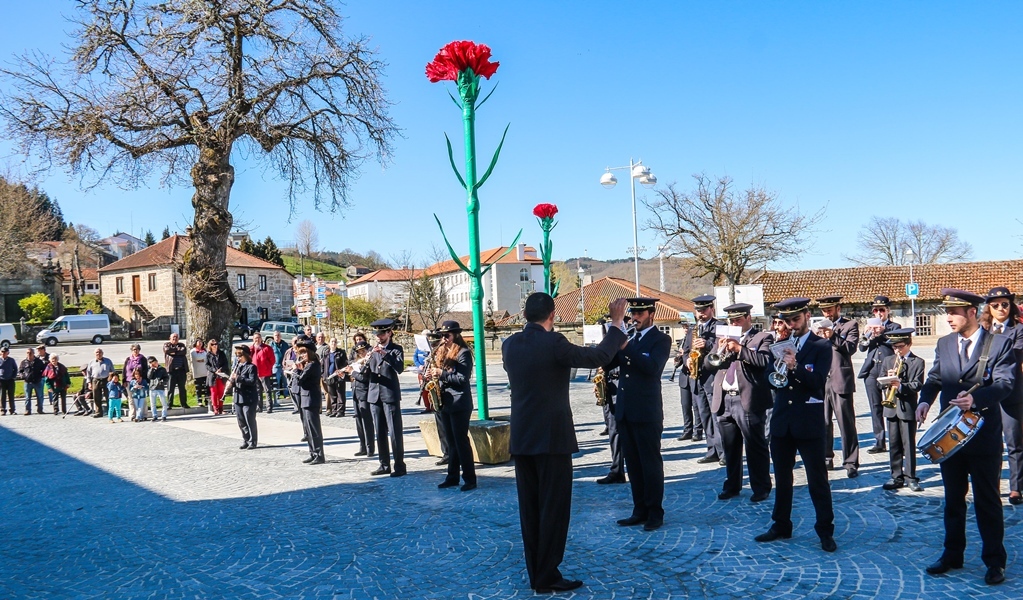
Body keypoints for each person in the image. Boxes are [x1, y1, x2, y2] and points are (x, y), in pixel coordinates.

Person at [503, 293, 628, 594]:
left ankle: (537, 574)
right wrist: (616, 323)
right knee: (554, 509)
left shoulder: (509, 345)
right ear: (552, 314)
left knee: (530, 509)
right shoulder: (554, 343)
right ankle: (548, 576)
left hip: (522, 438)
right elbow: (597, 357)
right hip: (552, 439)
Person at [917, 288, 1014, 586]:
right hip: (951, 435)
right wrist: (924, 399)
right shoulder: (945, 343)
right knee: (952, 500)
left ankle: (994, 561)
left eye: (954, 312)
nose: (948, 318)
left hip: (983, 435)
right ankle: (952, 554)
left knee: (987, 500)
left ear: (972, 312)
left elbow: (1005, 383)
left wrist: (978, 400)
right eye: (946, 312)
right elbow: (935, 377)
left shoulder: (998, 343)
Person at [755, 297, 836, 553]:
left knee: (817, 480)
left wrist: (796, 366)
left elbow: (818, 382)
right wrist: (775, 371)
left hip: (808, 422)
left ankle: (825, 530)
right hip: (782, 421)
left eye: (795, 319)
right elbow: (769, 380)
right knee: (782, 477)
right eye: (786, 321)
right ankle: (781, 524)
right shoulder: (779, 345)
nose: (791, 324)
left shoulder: (821, 346)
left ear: (807, 316)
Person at [608, 298, 672, 532]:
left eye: (639, 313)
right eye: (632, 313)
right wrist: (613, 341)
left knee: (650, 464)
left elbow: (652, 368)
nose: (634, 318)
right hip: (625, 410)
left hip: (646, 411)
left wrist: (626, 347)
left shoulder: (661, 339)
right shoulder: (631, 338)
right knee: (633, 464)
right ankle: (639, 509)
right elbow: (608, 364)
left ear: (651, 314)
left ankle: (655, 511)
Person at [704, 302, 773, 503]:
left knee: (755, 445)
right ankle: (732, 485)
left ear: (748, 318)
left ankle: (761, 487)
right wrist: (720, 349)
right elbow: (710, 364)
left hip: (748, 399)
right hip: (725, 397)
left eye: (738, 319)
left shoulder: (762, 337)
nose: (734, 322)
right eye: (731, 320)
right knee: (730, 447)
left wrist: (740, 349)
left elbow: (764, 362)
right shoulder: (723, 338)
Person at [980, 286, 1023, 505]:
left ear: (1011, 306)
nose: (1000, 309)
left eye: (1005, 304)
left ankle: (1016, 487)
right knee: (991, 443)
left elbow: (1013, 357)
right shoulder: (983, 330)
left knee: (1014, 441)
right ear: (989, 308)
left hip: (1010, 393)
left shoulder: (1018, 330)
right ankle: (992, 484)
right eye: (995, 305)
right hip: (987, 394)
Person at [816, 295, 860, 478]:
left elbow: (850, 348)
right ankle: (827, 458)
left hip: (840, 379)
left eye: (830, 309)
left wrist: (833, 336)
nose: (827, 313)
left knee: (846, 423)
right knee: (823, 422)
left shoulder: (850, 326)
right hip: (821, 380)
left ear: (838, 308)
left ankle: (851, 462)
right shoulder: (817, 327)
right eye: (824, 310)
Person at [430, 321, 477, 491]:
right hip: (446, 402)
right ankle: (452, 477)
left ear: (456, 335)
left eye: (447, 335)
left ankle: (470, 479)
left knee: (461, 442)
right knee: (451, 443)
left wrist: (441, 374)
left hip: (460, 403)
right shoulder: (443, 351)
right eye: (441, 336)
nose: (443, 338)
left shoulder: (463, 353)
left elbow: (462, 379)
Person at [878, 328, 924, 492]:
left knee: (908, 444)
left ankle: (911, 477)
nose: (897, 350)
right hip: (891, 408)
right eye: (894, 347)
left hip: (907, 409)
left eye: (900, 346)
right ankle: (896, 476)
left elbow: (917, 385)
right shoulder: (888, 360)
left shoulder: (918, 362)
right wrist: (887, 380)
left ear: (909, 344)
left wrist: (901, 385)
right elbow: (879, 382)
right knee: (894, 444)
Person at [682, 295, 724, 463]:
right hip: (696, 376)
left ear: (711, 309)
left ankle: (723, 452)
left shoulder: (720, 326)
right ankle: (711, 449)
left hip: (713, 376)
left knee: (717, 415)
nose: (701, 314)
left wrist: (706, 344)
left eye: (704, 310)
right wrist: (687, 361)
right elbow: (685, 350)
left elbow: (721, 347)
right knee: (704, 415)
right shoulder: (693, 329)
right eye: (698, 311)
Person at [366, 318, 406, 477]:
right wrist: (361, 365)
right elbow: (365, 372)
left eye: (382, 334)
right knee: (379, 432)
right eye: (377, 334)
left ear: (389, 333)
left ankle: (399, 466)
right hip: (374, 395)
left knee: (395, 432)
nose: (379, 337)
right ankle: (384, 464)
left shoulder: (396, 349)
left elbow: (400, 368)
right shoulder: (372, 350)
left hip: (389, 395)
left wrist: (385, 354)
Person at [858, 314, 894, 454]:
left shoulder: (893, 327)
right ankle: (879, 441)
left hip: (888, 369)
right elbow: (861, 348)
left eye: (882, 309)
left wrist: (882, 332)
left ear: (887, 310)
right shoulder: (869, 330)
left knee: (891, 405)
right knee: (875, 406)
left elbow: (894, 343)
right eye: (876, 310)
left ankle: (894, 440)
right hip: (871, 371)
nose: (879, 313)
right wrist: (866, 333)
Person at [595, 319, 625, 485]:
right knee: (614, 431)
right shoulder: (607, 339)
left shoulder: (628, 340)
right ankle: (617, 470)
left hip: (623, 387)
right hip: (610, 387)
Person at [295, 340, 326, 464]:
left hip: (311, 399)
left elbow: (301, 381)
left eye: (304, 353)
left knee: (314, 429)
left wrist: (296, 370)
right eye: (300, 353)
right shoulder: (307, 365)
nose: (301, 356)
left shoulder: (313, 365)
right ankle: (313, 453)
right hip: (305, 399)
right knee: (308, 429)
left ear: (310, 353)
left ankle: (319, 455)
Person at [344, 341, 375, 456]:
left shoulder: (368, 362)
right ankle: (362, 446)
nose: (361, 353)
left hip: (365, 394)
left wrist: (352, 372)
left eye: (363, 351)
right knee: (358, 422)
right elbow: (353, 379)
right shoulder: (356, 363)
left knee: (367, 422)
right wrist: (344, 376)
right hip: (355, 394)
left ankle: (370, 448)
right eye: (359, 352)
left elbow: (364, 378)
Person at [231, 344, 260, 450]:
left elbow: (252, 381)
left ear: (246, 356)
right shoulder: (237, 367)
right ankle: (246, 439)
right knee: (241, 420)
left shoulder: (252, 367)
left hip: (248, 398)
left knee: (249, 419)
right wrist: (231, 381)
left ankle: (253, 441)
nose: (238, 358)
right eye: (237, 356)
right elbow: (235, 381)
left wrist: (238, 378)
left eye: (240, 356)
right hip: (238, 397)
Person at [250, 332, 276, 413]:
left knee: (267, 390)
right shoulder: (251, 349)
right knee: (257, 390)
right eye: (255, 338)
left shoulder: (267, 348)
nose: (257, 340)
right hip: (255, 372)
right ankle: (259, 407)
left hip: (264, 372)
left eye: (258, 338)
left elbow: (272, 360)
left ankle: (269, 407)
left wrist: (267, 367)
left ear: (261, 339)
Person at [122, 344, 149, 422]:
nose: (135, 351)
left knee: (142, 398)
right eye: (134, 349)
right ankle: (133, 415)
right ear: (131, 350)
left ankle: (144, 414)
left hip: (140, 381)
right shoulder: (128, 359)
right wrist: (124, 380)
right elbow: (124, 370)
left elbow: (145, 370)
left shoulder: (143, 359)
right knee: (131, 399)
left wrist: (142, 379)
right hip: (130, 381)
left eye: (137, 349)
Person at [85, 348, 114, 418]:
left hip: (106, 380)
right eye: (97, 352)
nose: (98, 354)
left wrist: (112, 380)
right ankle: (98, 412)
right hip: (96, 380)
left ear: (102, 353)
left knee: (109, 396)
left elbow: (112, 371)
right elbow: (88, 373)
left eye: (100, 352)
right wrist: (89, 383)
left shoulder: (108, 361)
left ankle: (111, 412)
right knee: (96, 397)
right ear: (95, 354)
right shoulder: (91, 362)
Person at [164, 333, 189, 409]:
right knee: (170, 388)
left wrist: (174, 352)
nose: (175, 339)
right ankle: (169, 404)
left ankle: (184, 404)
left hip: (181, 370)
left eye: (176, 337)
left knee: (182, 388)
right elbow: (167, 350)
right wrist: (177, 350)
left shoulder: (181, 345)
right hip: (172, 371)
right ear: (170, 338)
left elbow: (183, 351)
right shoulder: (167, 345)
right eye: (173, 337)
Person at [205, 339, 230, 416]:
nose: (215, 345)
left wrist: (221, 369)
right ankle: (215, 409)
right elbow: (207, 365)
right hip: (212, 376)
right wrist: (214, 370)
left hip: (221, 376)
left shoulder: (221, 353)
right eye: (213, 344)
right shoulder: (208, 354)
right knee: (214, 393)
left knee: (221, 392)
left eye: (216, 344)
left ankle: (221, 409)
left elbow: (226, 363)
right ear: (210, 346)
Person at [325, 337, 348, 417]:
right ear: (329, 343)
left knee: (340, 394)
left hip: (338, 376)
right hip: (329, 377)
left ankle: (341, 411)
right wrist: (324, 375)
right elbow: (323, 365)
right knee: (332, 395)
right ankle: (334, 410)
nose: (333, 343)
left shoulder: (341, 353)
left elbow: (345, 364)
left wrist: (341, 372)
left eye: (335, 342)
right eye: (332, 342)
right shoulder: (326, 353)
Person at [19, 348, 46, 415]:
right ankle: (28, 410)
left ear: (33, 353)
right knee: (27, 397)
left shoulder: (38, 361)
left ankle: (40, 409)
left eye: (30, 353)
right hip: (27, 382)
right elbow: (20, 371)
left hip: (37, 381)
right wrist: (23, 376)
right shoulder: (23, 362)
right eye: (27, 353)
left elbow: (44, 370)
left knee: (39, 396)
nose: (29, 354)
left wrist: (40, 376)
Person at [146, 357, 170, 422]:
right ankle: (154, 416)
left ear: (157, 362)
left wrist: (162, 382)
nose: (154, 365)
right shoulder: (150, 369)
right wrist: (152, 369)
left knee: (163, 403)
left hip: (160, 387)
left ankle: (164, 415)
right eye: (152, 364)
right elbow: (149, 377)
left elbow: (166, 377)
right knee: (153, 403)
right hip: (152, 388)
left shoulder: (162, 369)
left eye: (155, 363)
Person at [269, 331, 290, 403]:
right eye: (275, 336)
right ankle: (276, 395)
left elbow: (288, 354)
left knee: (285, 381)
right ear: (273, 336)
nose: (277, 337)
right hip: (275, 366)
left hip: (284, 366)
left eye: (278, 335)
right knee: (276, 381)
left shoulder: (285, 344)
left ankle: (286, 394)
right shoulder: (271, 345)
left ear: (280, 336)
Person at [189, 339, 209, 407]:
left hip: (205, 372)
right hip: (197, 372)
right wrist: (203, 360)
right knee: (199, 388)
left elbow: (208, 359)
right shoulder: (193, 351)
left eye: (201, 342)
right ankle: (199, 401)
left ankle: (207, 401)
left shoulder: (205, 351)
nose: (200, 343)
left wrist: (203, 360)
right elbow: (197, 359)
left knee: (206, 387)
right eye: (199, 342)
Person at [0, 347, 17, 415]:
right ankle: (2, 410)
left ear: (8, 353)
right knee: (2, 396)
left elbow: (15, 369)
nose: (4, 353)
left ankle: (12, 410)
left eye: (5, 352)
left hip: (10, 380)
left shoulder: (11, 360)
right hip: (1, 380)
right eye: (2, 352)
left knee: (11, 396)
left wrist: (13, 376)